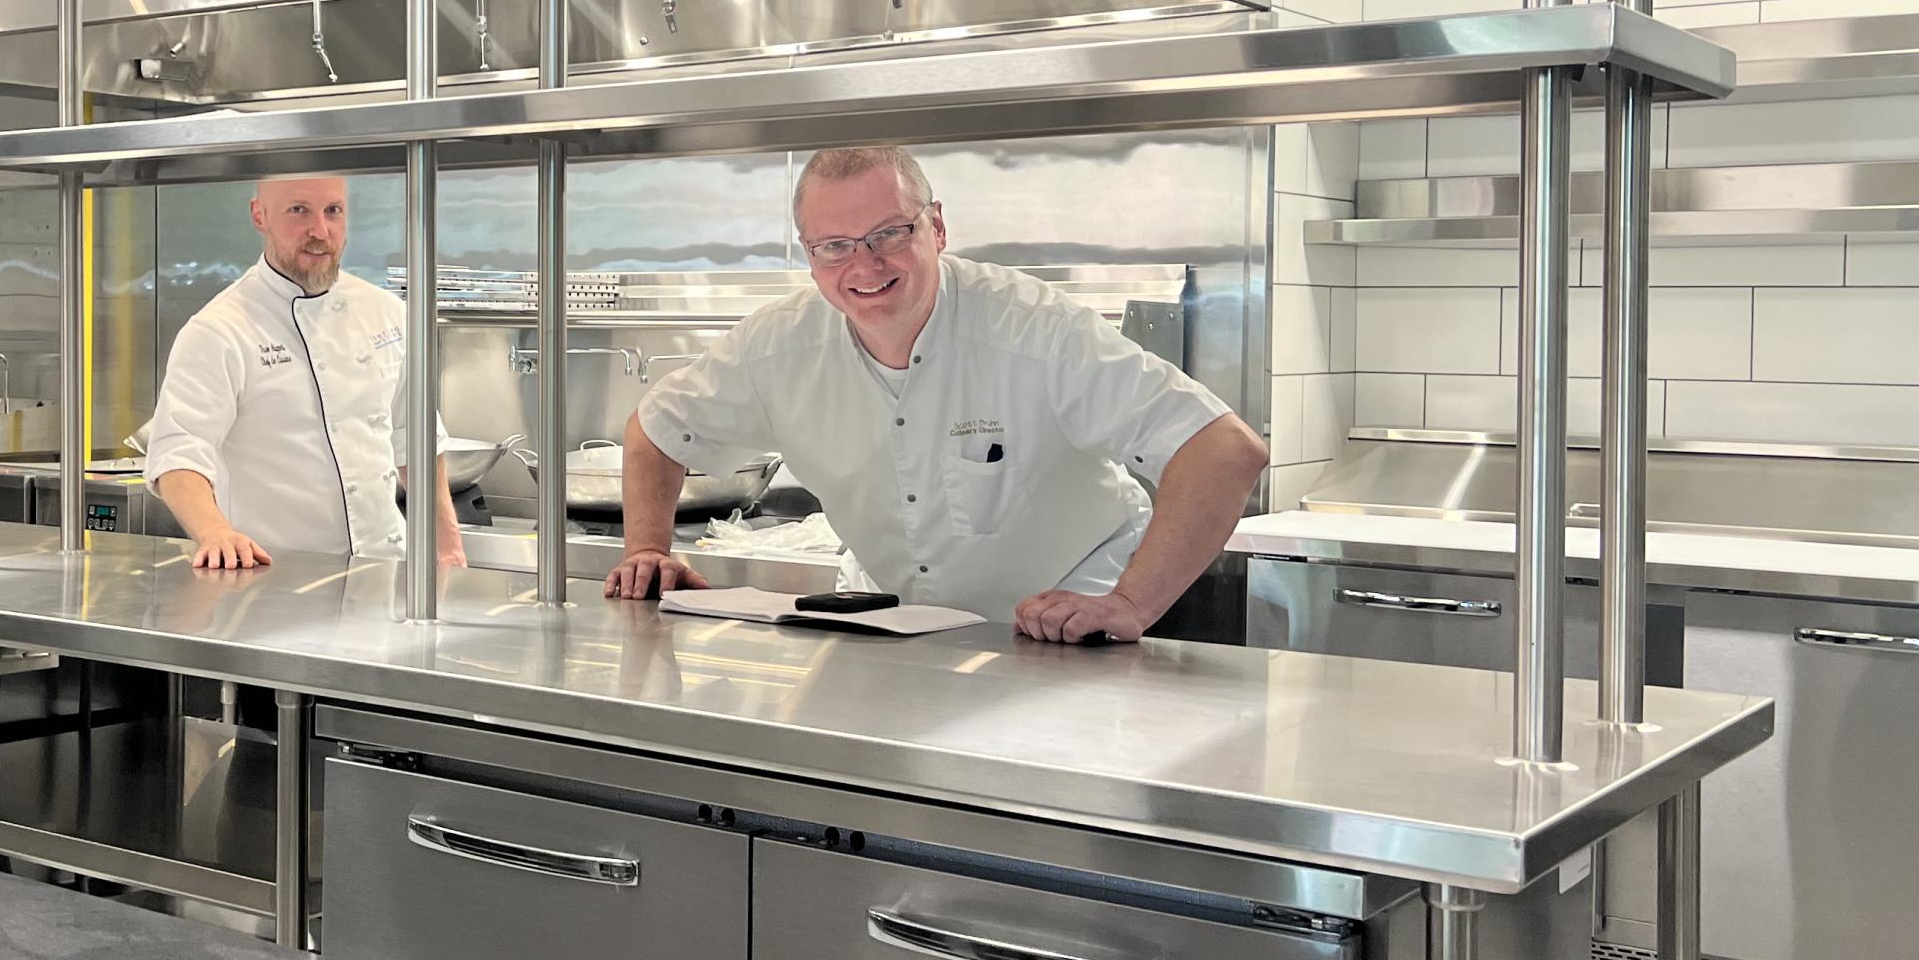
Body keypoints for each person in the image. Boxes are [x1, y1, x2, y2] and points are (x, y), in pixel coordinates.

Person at [604, 146, 1266, 643]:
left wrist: (1129, 607)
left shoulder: (1033, 331)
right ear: (809, 255)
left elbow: (1224, 452)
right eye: (835, 246)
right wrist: (647, 552)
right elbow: (657, 430)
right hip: (894, 626)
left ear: (937, 228)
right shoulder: (777, 347)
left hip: (1067, 617)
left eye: (890, 233)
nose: (864, 266)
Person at [141, 173, 466, 573]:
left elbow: (415, 440)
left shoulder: (387, 312)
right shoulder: (219, 330)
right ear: (259, 215)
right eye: (299, 211)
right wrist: (215, 533)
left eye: (333, 211)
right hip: (274, 583)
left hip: (384, 578)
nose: (320, 230)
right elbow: (179, 452)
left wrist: (447, 545)